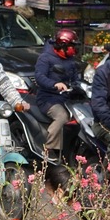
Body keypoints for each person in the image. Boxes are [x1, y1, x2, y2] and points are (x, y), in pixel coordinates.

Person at [34, 29, 81, 164]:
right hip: (48, 99)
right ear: (63, 45)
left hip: (66, 98)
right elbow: (40, 77)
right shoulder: (45, 58)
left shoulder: (70, 60)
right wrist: (55, 84)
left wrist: (78, 86)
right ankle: (49, 148)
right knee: (62, 116)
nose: (74, 49)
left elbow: (75, 78)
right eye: (72, 46)